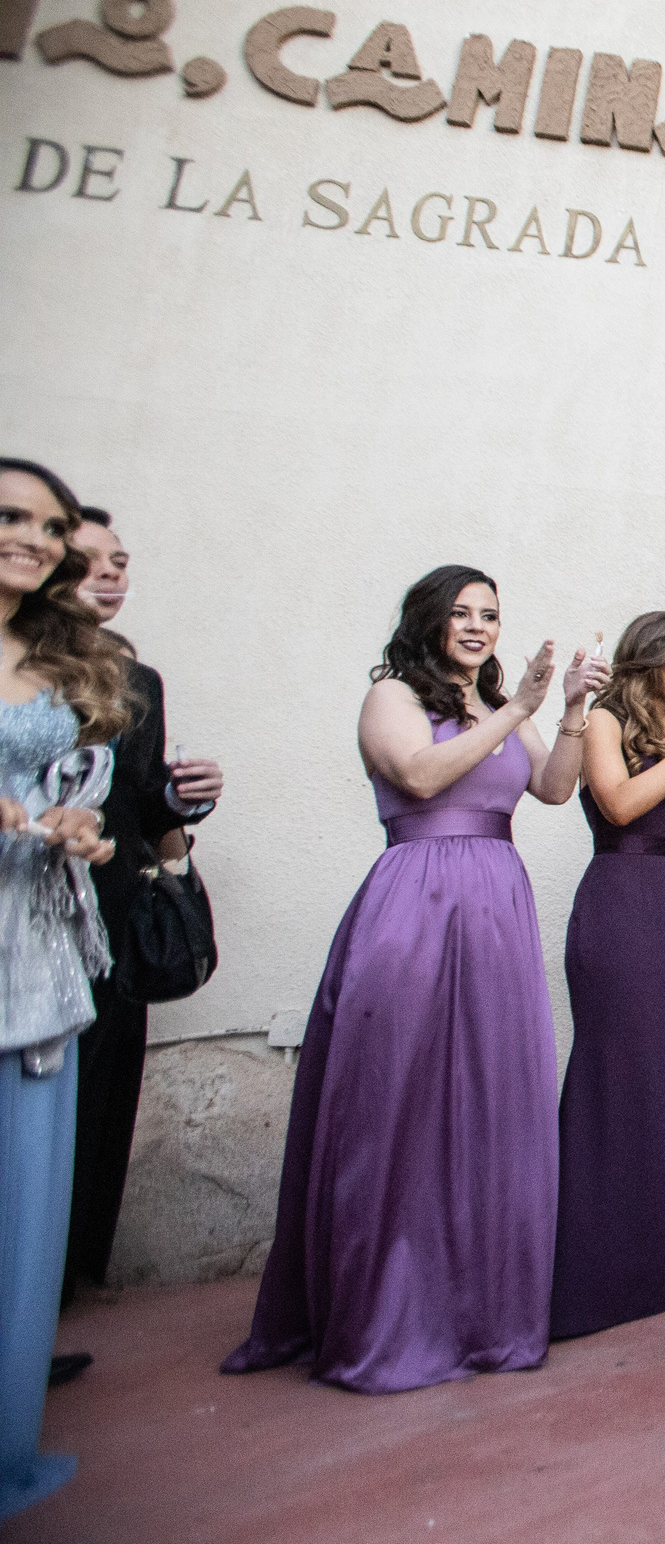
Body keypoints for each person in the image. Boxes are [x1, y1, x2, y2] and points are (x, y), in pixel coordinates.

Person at [225, 565, 601, 1394]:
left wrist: (570, 709)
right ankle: (387, 1314)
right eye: (461, 612)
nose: (477, 626)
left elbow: (553, 788)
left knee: (491, 1104)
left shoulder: (499, 705)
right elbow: (421, 776)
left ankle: (482, 1314)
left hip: (497, 907)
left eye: (490, 614)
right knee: (396, 1102)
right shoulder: (392, 695)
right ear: (429, 619)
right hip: (414, 902)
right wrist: (518, 707)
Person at [551, 612, 665, 1339]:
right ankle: (591, 1267)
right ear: (650, 657)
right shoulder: (605, 719)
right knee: (618, 1074)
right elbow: (621, 804)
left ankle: (659, 1263)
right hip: (621, 904)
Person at [0, 458, 124, 1518]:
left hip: (32, 934)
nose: (33, 540)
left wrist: (78, 823)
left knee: (24, 1196)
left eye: (49, 527)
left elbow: (71, 787)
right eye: (11, 517)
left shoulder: (59, 659)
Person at [62, 507, 223, 1318]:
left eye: (121, 561)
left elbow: (139, 803)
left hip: (110, 911)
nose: (111, 573)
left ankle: (55, 1290)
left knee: (95, 1100)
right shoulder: (20, 674)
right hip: (27, 902)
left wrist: (186, 798)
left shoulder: (136, 681)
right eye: (90, 559)